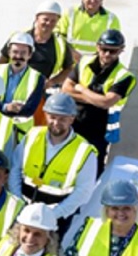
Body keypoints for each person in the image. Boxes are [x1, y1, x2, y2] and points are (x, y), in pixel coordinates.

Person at [9, 93, 97, 237]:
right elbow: (15, 170)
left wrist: (52, 215)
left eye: (62, 119)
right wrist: (18, 203)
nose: (56, 123)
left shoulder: (85, 151)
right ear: (46, 115)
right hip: (21, 211)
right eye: (53, 117)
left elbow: (83, 193)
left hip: (55, 220)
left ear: (72, 119)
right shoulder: (32, 136)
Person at [62, 29, 136, 174]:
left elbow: (106, 103)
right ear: (97, 47)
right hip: (74, 121)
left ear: (121, 50)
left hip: (99, 130)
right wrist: (95, 99)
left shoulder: (124, 76)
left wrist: (81, 89)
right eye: (104, 49)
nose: (107, 54)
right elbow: (65, 90)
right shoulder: (84, 62)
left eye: (113, 51)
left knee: (91, 168)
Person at [0, 1, 74, 93]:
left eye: (53, 20)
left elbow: (69, 68)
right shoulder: (19, 37)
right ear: (37, 18)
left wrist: (52, 82)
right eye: (45, 19)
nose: (48, 23)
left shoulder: (60, 43)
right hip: (11, 87)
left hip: (39, 91)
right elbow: (2, 60)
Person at [0, 32, 45, 136]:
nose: (18, 56)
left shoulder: (38, 78)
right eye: (15, 52)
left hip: (18, 134)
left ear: (30, 55)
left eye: (23, 53)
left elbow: (30, 109)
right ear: (9, 53)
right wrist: (6, 107)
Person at [57, 0, 121, 57]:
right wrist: (72, 53)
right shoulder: (70, 13)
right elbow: (59, 35)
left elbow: (114, 43)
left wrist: (96, 58)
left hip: (97, 61)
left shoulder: (112, 19)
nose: (93, 1)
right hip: (69, 58)